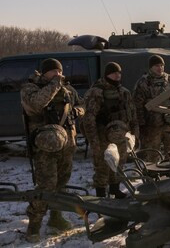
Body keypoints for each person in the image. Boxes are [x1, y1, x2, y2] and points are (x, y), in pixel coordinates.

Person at [20, 58, 84, 243]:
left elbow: (82, 104)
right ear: (44, 73)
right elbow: (37, 104)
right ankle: (34, 226)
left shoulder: (67, 89)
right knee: (46, 187)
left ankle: (56, 218)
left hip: (67, 144)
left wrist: (78, 111)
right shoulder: (31, 88)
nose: (58, 74)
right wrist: (56, 84)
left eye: (60, 71)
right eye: (53, 72)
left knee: (61, 184)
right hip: (44, 148)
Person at [83, 62, 139, 199]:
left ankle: (115, 190)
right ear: (107, 74)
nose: (117, 75)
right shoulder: (96, 92)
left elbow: (132, 114)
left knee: (119, 164)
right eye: (114, 73)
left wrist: (135, 135)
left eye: (119, 73)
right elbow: (89, 119)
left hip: (122, 135)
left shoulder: (124, 92)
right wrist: (94, 141)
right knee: (102, 167)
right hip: (103, 136)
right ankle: (101, 196)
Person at [133, 55, 170, 161]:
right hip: (151, 127)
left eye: (162, 65)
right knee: (152, 156)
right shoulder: (143, 82)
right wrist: (141, 124)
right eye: (157, 66)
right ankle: (153, 176)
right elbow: (137, 105)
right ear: (151, 67)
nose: (160, 68)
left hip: (169, 125)